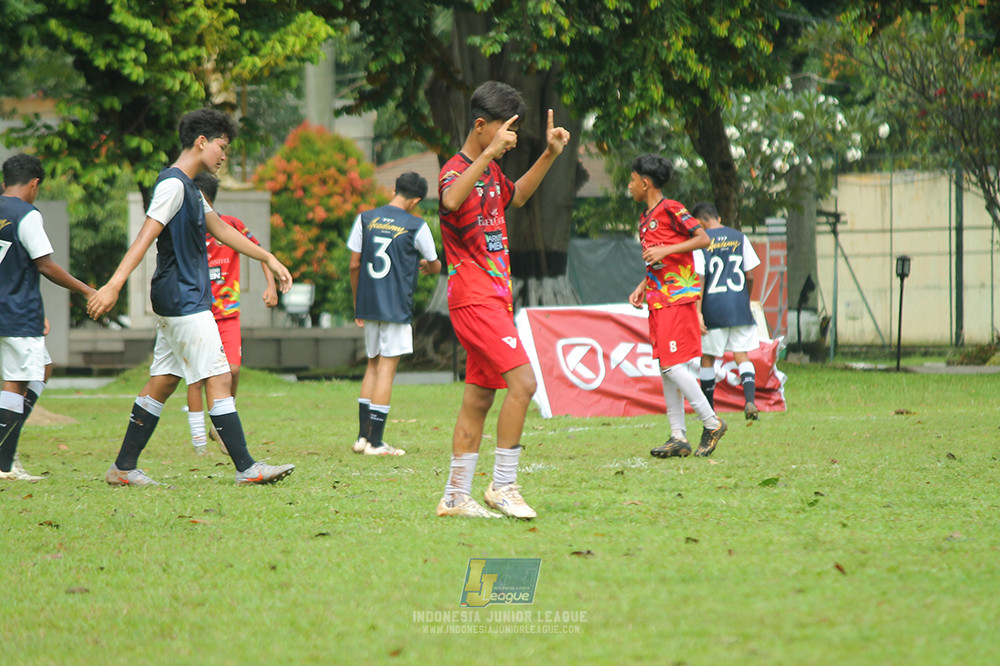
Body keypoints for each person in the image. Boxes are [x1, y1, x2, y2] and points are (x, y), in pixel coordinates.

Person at [87, 108, 296, 486]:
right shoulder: (172, 185)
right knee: (218, 375)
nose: (223, 155)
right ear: (201, 142)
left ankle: (122, 468)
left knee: (164, 381)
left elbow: (219, 229)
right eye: (221, 147)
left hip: (177, 297)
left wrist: (267, 256)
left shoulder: (189, 188)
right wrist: (114, 284)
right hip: (183, 298)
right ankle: (248, 469)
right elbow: (145, 236)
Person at [435, 80, 570, 519]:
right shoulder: (456, 170)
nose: (511, 139)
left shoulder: (492, 172)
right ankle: (503, 486)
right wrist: (490, 154)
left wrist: (549, 153)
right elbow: (451, 200)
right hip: (473, 299)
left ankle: (455, 496)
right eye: (505, 129)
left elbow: (520, 195)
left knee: (478, 399)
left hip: (495, 299)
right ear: (481, 126)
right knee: (525, 384)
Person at [0, 153, 95, 481]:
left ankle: (7, 454)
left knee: (41, 367)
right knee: (16, 382)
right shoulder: (26, 215)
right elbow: (45, 265)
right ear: (34, 183)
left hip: (15, 308)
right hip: (16, 310)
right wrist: (87, 291)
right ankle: (4, 465)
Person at [625, 154, 727, 459]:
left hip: (677, 297)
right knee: (666, 367)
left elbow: (703, 238)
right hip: (657, 299)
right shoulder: (645, 218)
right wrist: (643, 285)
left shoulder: (672, 208)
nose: (629, 186)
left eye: (631, 180)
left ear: (645, 183)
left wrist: (666, 249)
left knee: (671, 365)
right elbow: (657, 259)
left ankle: (712, 422)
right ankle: (677, 436)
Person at [348, 172, 441, 457]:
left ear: (394, 189)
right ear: (415, 200)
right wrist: (428, 266)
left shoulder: (365, 218)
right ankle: (376, 443)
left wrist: (357, 302)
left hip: (370, 304)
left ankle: (362, 438)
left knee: (372, 366)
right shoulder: (416, 225)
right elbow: (435, 263)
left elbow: (354, 264)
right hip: (396, 306)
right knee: (387, 369)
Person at [186, 172, 278, 455]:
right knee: (197, 376)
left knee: (233, 370)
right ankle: (199, 438)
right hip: (198, 313)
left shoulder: (231, 226)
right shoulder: (187, 229)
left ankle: (222, 427)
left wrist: (271, 285)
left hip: (228, 315)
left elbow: (259, 251)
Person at [691, 201, 762, 420]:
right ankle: (750, 401)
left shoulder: (700, 242)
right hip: (739, 306)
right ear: (718, 218)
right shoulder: (740, 237)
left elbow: (700, 279)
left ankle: (709, 411)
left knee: (708, 358)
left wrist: (698, 312)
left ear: (700, 222)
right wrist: (744, 299)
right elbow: (750, 275)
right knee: (742, 355)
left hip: (714, 307)